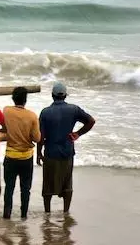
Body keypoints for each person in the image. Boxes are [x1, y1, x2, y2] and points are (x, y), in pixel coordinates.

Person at [37, 82, 96, 213]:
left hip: (50, 153)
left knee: (48, 185)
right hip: (67, 151)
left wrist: (38, 153)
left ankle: (47, 213)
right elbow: (91, 121)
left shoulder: (45, 112)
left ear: (52, 95)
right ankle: (65, 212)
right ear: (65, 96)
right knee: (67, 183)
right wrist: (78, 133)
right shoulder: (74, 109)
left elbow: (41, 136)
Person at [2, 87, 41, 220]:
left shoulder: (6, 111)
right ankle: (24, 215)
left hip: (11, 155)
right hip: (26, 157)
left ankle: (7, 215)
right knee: (25, 189)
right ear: (25, 100)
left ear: (13, 99)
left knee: (9, 188)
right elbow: (37, 138)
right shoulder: (32, 116)